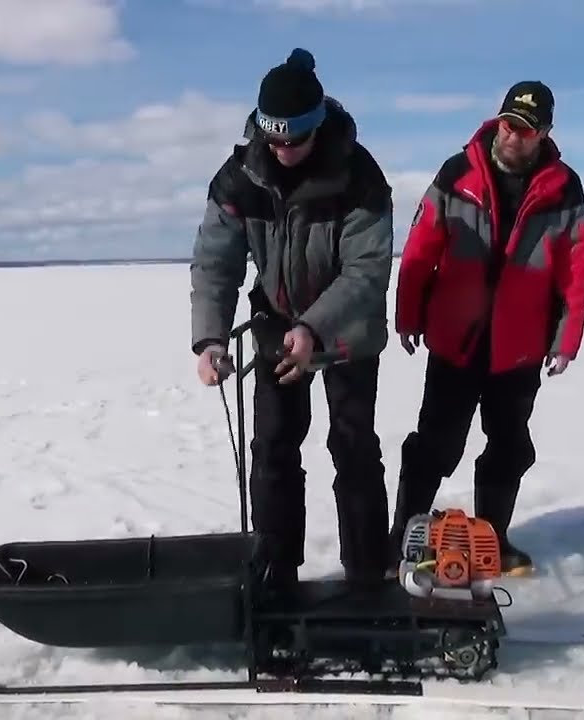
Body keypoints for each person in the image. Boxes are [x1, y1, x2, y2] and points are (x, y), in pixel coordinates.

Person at [188, 48, 396, 594]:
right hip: (277, 326)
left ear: (316, 127)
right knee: (273, 448)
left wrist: (315, 327)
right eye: (273, 139)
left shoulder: (358, 176)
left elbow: (367, 270)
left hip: (347, 330)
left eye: (294, 141)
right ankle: (276, 570)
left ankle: (368, 573)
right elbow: (217, 261)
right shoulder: (240, 178)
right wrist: (210, 337)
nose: (282, 151)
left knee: (353, 446)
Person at [389, 80, 584, 576]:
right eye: (509, 125)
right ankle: (403, 534)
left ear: (544, 133)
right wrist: (408, 313)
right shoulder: (458, 173)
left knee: (508, 445)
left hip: (519, 347)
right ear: (498, 121)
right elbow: (420, 251)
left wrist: (566, 338)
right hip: (456, 339)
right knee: (436, 442)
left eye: (526, 130)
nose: (513, 137)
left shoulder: (564, 187)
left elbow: (576, 267)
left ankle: (494, 539)